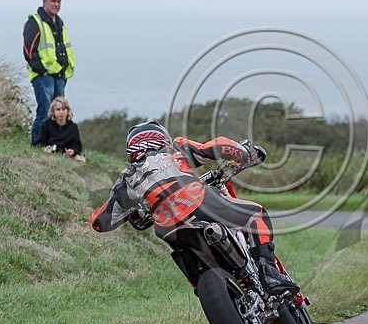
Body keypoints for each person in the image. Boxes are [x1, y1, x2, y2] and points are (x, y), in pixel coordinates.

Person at [90, 121, 298, 295]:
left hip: (168, 229)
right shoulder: (176, 148)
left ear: (131, 151)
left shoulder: (127, 179)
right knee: (256, 213)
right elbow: (219, 146)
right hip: (201, 202)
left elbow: (100, 222)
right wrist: (243, 153)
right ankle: (269, 275)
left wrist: (130, 212)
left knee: (191, 263)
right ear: (162, 138)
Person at [23, 0, 75, 146]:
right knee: (45, 111)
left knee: (59, 115)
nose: (56, 4)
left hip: (59, 75)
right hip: (44, 76)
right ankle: (37, 145)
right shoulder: (35, 22)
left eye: (59, 1)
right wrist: (42, 71)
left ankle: (56, 146)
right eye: (53, 1)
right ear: (44, 1)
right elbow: (29, 50)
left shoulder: (59, 23)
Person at [37, 97, 85, 162]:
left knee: (78, 158)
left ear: (68, 111)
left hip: (66, 154)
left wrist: (73, 151)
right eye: (58, 109)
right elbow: (39, 142)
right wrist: (45, 148)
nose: (61, 112)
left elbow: (77, 145)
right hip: (50, 152)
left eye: (64, 109)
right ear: (53, 111)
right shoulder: (46, 124)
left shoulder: (73, 127)